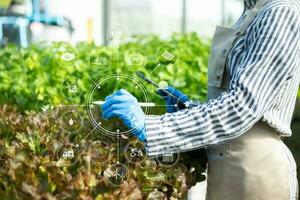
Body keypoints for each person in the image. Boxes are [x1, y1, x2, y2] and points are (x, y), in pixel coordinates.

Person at [101, 0, 300, 199]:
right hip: (224, 163)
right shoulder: (252, 10)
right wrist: (189, 108)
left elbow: (241, 108)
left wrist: (151, 127)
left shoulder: (280, 12)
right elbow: (239, 97)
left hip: (256, 172)